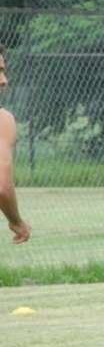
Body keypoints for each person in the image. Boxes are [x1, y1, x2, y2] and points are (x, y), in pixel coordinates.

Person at [0, 42, 31, 245]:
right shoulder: (2, 121)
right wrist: (16, 221)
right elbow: (2, 186)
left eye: (3, 71)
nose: (4, 81)